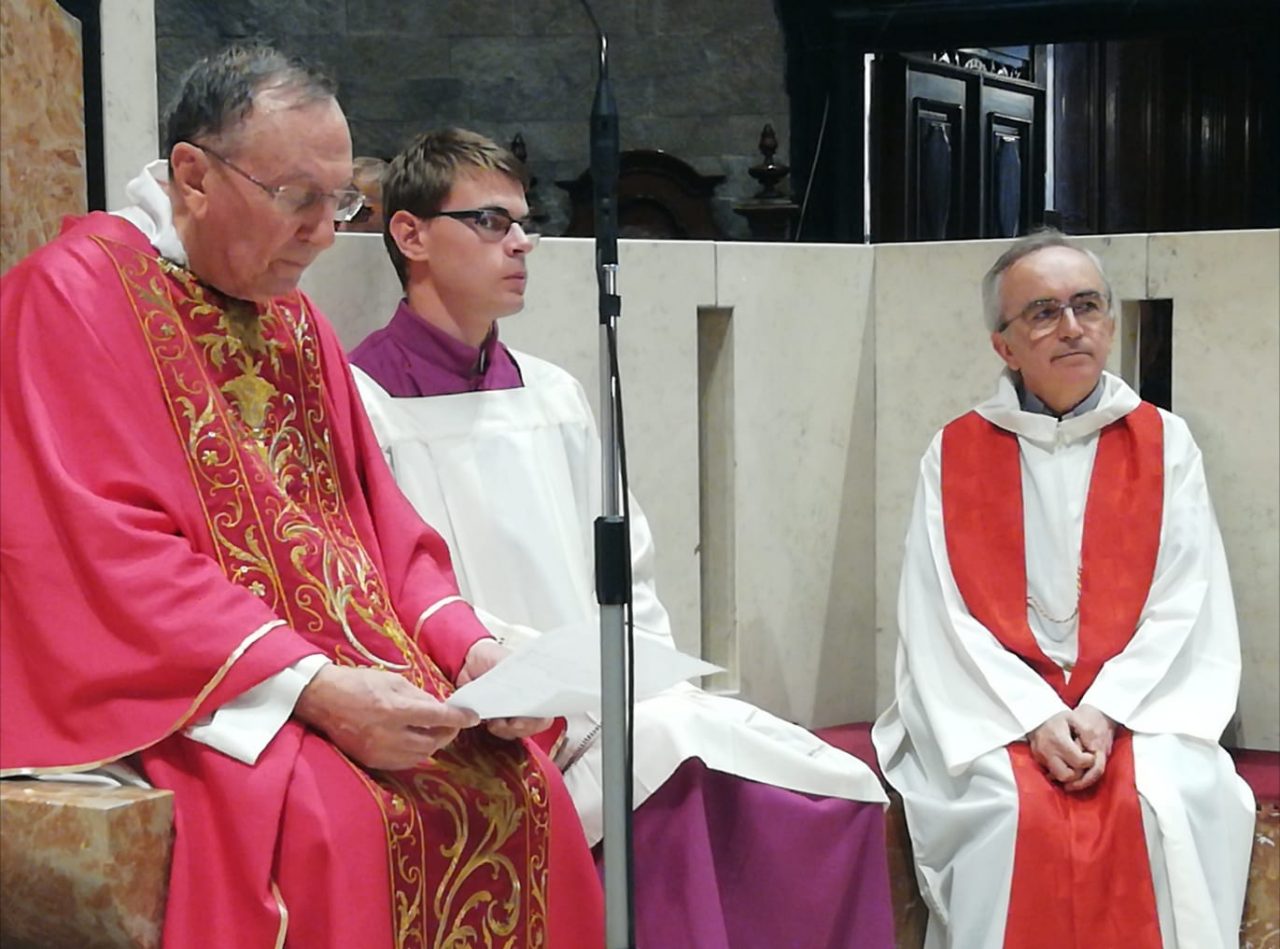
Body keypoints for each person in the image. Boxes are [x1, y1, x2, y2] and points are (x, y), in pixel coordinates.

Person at [0, 46, 602, 948]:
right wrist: (313, 688)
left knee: (525, 788)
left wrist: (471, 651)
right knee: (344, 824)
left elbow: (378, 528)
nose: (325, 233)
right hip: (197, 687)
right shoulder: (73, 296)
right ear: (194, 175)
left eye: (342, 201)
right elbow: (106, 550)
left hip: (336, 670)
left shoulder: (294, 319)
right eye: (298, 199)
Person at [347, 127, 895, 949]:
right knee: (677, 768)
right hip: (486, 720)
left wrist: (634, 675)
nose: (522, 243)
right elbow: (390, 585)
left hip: (601, 699)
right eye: (491, 222)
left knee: (828, 790)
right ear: (411, 234)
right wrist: (523, 690)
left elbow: (626, 568)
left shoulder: (554, 394)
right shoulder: (365, 403)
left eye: (524, 222)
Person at [872, 230, 1255, 948]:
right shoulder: (955, 451)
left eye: (1087, 305)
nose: (1072, 327)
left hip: (1138, 710)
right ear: (1004, 345)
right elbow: (939, 612)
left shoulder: (1164, 443)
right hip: (994, 712)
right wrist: (1034, 715)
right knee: (1006, 813)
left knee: (1164, 800)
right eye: (1044, 312)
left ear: (1109, 322)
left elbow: (1186, 599)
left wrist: (1105, 712)